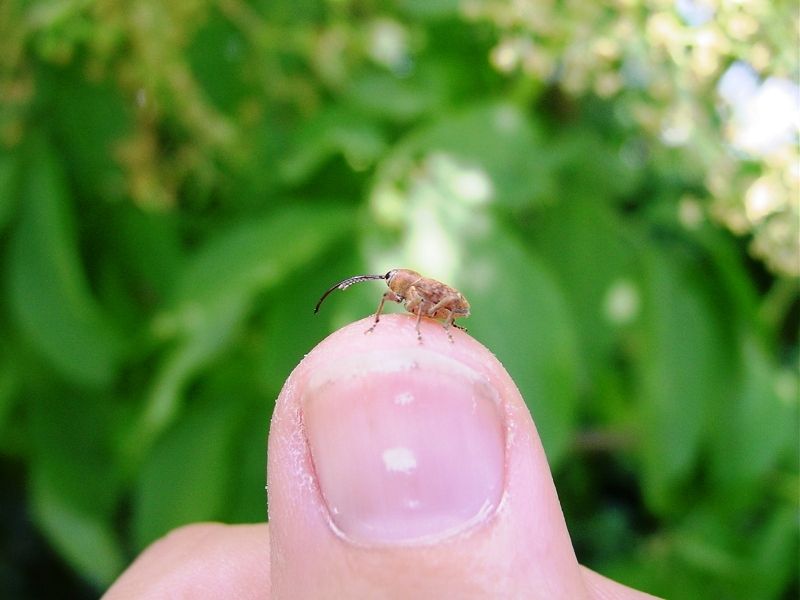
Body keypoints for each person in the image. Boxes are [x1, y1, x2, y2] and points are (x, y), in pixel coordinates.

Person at [105, 314, 660, 599]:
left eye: (390, 291)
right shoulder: (396, 295)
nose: (389, 296)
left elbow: (446, 304)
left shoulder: (419, 297)